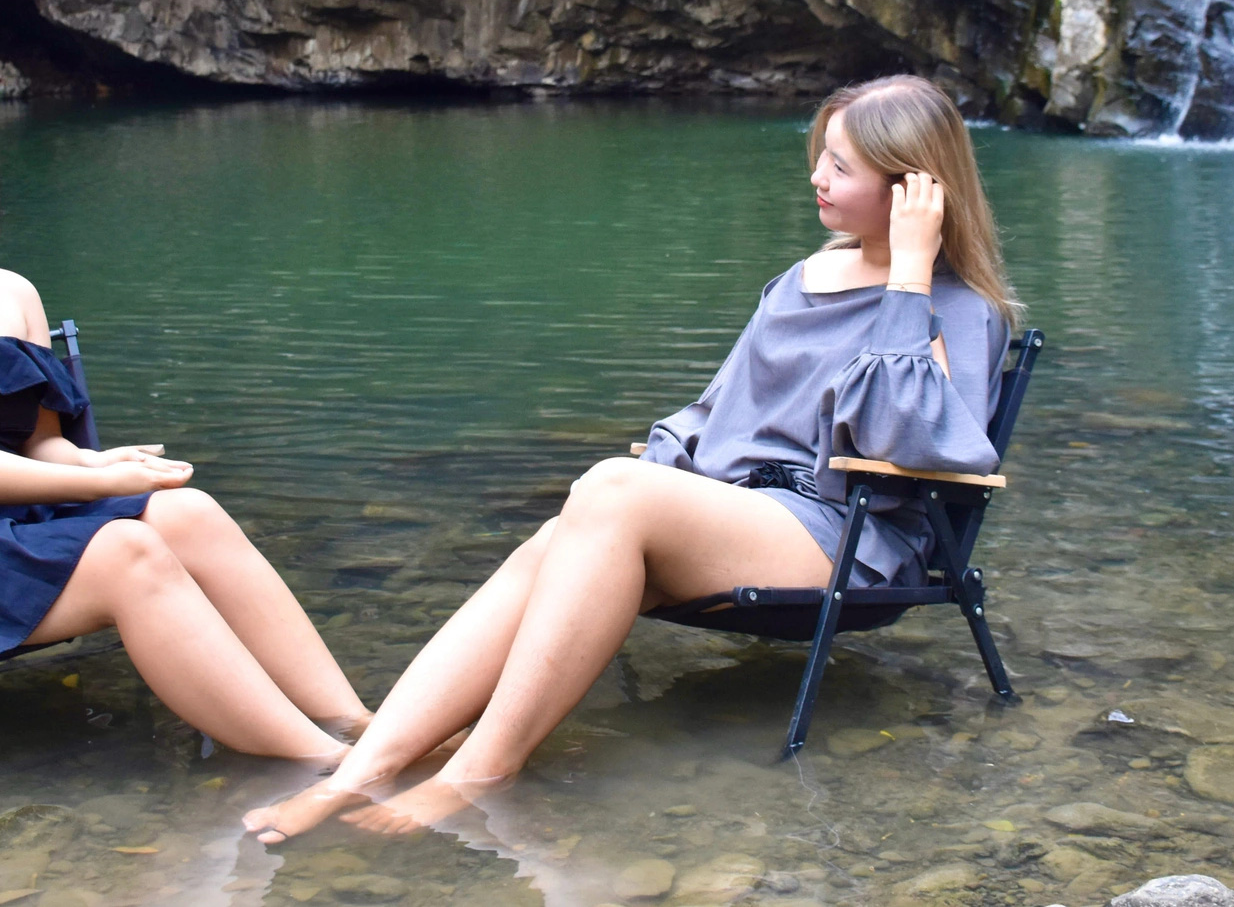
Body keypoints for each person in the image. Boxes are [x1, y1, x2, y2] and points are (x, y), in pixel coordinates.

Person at [245, 73, 1021, 837]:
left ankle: (475, 773)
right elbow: (720, 412)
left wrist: (911, 277)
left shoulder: (959, 307)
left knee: (613, 489)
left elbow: (905, 440)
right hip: (743, 513)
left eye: (841, 166)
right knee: (558, 538)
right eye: (820, 153)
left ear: (913, 187)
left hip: (847, 539)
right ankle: (357, 772)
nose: (816, 176)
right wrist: (663, 470)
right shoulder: (804, 277)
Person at [0, 82, 365, 759]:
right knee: (130, 551)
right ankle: (326, 762)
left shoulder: (14, 292)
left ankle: (356, 723)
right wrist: (101, 489)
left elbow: (43, 443)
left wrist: (105, 464)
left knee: (189, 510)